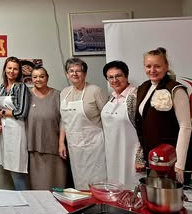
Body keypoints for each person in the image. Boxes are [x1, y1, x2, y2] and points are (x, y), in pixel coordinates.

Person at [135, 47, 192, 184]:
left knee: (174, 196)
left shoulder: (176, 89)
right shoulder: (144, 87)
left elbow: (185, 127)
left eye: (157, 66)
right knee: (155, 195)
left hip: (172, 158)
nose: (152, 70)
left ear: (166, 66)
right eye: (148, 66)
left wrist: (179, 165)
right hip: (154, 157)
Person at [59, 58, 108, 190]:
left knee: (97, 181)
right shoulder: (64, 93)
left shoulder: (95, 91)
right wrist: (61, 142)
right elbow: (64, 120)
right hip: (74, 146)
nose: (74, 74)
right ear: (67, 74)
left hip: (95, 146)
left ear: (85, 74)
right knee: (80, 180)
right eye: (71, 71)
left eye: (78, 71)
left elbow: (107, 118)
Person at [101, 60, 144, 189]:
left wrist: (141, 157)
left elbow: (146, 130)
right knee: (115, 188)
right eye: (110, 77)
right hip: (113, 155)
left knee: (132, 189)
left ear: (126, 76)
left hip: (131, 156)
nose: (114, 80)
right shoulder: (112, 97)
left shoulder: (136, 97)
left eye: (118, 76)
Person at [27, 66, 66, 190]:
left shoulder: (58, 95)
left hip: (54, 146)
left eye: (42, 76)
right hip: (34, 148)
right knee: (38, 186)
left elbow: (64, 120)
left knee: (57, 184)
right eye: (35, 77)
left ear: (47, 78)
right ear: (31, 79)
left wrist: (61, 143)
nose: (38, 79)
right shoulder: (26, 95)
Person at [0, 57, 31, 190]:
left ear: (19, 71)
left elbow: (21, 112)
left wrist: (2, 113)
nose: (11, 71)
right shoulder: (3, 87)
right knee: (10, 168)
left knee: (17, 171)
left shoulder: (21, 87)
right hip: (5, 132)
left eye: (15, 69)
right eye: (9, 68)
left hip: (17, 131)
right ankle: (19, 198)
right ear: (5, 69)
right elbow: (0, 108)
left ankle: (24, 199)